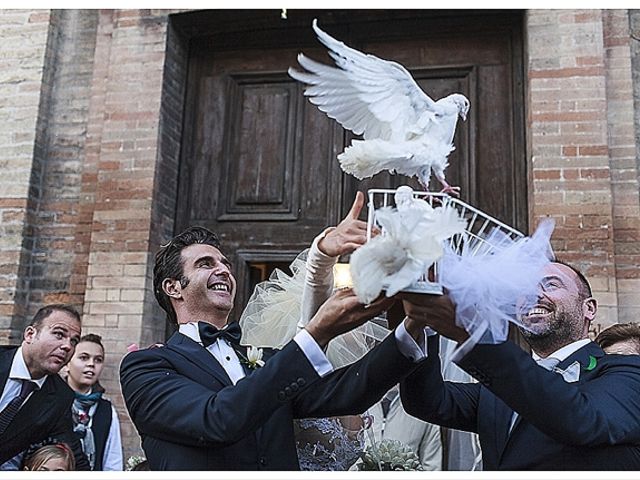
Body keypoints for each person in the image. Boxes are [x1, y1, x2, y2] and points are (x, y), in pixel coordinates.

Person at [120, 221, 428, 470]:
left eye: (226, 263)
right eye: (205, 264)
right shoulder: (146, 367)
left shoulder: (263, 359)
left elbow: (348, 390)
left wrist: (413, 324)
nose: (224, 270)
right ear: (173, 287)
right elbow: (215, 420)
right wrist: (316, 334)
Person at [398, 260, 640, 470]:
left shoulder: (626, 371)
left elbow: (584, 421)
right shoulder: (497, 389)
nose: (533, 295)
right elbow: (428, 401)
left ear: (589, 308)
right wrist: (422, 319)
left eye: (551, 284)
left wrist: (472, 334)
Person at [0, 304, 89, 469]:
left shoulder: (60, 397)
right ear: (30, 334)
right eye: (59, 334)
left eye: (74, 341)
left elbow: (75, 455)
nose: (67, 346)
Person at [63, 333, 123, 470]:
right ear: (67, 363)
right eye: (84, 358)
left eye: (98, 360)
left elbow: (113, 461)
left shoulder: (107, 410)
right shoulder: (53, 400)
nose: (91, 364)